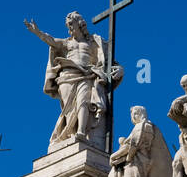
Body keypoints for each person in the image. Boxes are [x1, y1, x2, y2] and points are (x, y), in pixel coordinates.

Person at [23, 11, 123, 149]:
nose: (69, 27)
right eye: (67, 25)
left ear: (80, 23)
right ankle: (70, 132)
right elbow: (51, 40)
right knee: (69, 109)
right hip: (67, 77)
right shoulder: (66, 43)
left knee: (84, 101)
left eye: (71, 24)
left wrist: (120, 69)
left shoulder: (94, 42)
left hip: (87, 75)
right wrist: (38, 32)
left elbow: (109, 60)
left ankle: (81, 132)